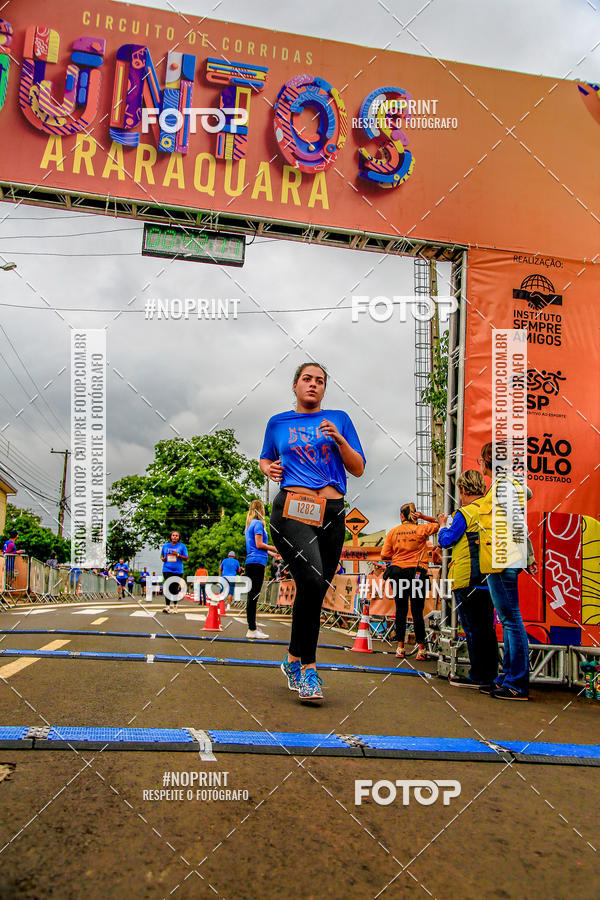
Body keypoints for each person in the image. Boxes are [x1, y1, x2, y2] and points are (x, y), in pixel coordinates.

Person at [260, 361, 365, 703]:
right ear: (295, 385)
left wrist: (340, 441)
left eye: (320, 381)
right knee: (312, 578)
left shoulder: (339, 419)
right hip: (293, 507)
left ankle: (292, 658)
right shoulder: (278, 423)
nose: (313, 384)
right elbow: (265, 458)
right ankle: (309, 669)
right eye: (307, 379)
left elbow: (358, 468)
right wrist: (269, 468)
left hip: (332, 511)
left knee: (315, 588)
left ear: (324, 388)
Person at [477, 442, 537, 700]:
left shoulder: (503, 486)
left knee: (511, 620)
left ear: (489, 461)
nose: (479, 464)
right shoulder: (505, 485)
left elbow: (517, 523)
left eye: (481, 460)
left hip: (503, 560)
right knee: (510, 619)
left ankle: (517, 682)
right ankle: (509, 677)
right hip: (501, 559)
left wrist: (529, 555)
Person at [437, 470, 498, 689]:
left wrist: (442, 525)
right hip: (490, 577)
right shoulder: (492, 510)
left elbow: (446, 540)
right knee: (487, 629)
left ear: (463, 489)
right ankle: (491, 675)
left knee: (473, 629)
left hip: (466, 577)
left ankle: (479, 675)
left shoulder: (465, 513)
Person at [381, 502, 439, 660]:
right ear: (414, 515)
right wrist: (424, 517)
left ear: (402, 516)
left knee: (400, 609)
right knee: (417, 611)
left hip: (398, 571)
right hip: (417, 572)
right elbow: (440, 522)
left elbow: (384, 555)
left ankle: (400, 648)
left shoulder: (393, 532)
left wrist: (398, 554)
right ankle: (421, 649)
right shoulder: (421, 529)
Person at [244, 499, 277, 639]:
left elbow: (255, 545)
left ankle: (252, 627)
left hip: (251, 562)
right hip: (257, 563)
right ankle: (251, 629)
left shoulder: (249, 525)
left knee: (252, 595)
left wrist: (272, 554)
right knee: (254, 596)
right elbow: (259, 544)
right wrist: (274, 548)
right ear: (260, 510)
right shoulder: (258, 523)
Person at [160, 530, 188, 613]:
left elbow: (186, 558)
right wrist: (162, 559)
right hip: (167, 569)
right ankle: (167, 607)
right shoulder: (165, 546)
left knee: (174, 588)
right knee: (168, 586)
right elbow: (162, 556)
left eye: (176, 536)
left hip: (178, 570)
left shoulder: (182, 546)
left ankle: (175, 606)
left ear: (179, 538)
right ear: (170, 537)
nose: (175, 537)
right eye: (173, 535)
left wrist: (178, 555)